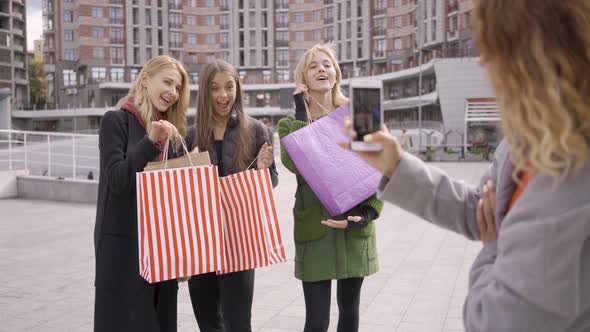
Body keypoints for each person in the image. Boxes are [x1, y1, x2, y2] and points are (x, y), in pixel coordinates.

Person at [343, 1, 590, 330]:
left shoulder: (570, 177)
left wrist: (491, 251)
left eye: (494, 46)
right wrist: (396, 165)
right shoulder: (530, 140)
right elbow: (481, 209)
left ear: (538, 53)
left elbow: (494, 321)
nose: (482, 60)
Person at [277, 43, 384, 332]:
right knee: (316, 321)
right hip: (315, 227)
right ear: (303, 78)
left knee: (349, 313)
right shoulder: (289, 125)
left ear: (336, 74)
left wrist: (368, 214)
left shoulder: (359, 114)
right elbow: (294, 163)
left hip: (354, 227)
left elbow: (378, 171)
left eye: (327, 64)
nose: (321, 69)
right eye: (313, 66)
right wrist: (302, 110)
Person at [94, 55, 190, 332]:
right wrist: (150, 141)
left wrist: (180, 254)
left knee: (160, 323)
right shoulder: (116, 121)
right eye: (168, 82)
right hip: (123, 251)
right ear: (145, 80)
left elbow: (171, 201)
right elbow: (117, 181)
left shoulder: (169, 132)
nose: (172, 92)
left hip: (159, 250)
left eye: (178, 88)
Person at [185, 59, 278, 332]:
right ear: (205, 92)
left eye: (229, 87)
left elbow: (270, 183)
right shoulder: (190, 136)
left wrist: (263, 171)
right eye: (215, 88)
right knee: (209, 323)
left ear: (238, 88)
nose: (223, 95)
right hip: (201, 242)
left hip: (239, 239)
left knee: (238, 323)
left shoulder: (256, 130)